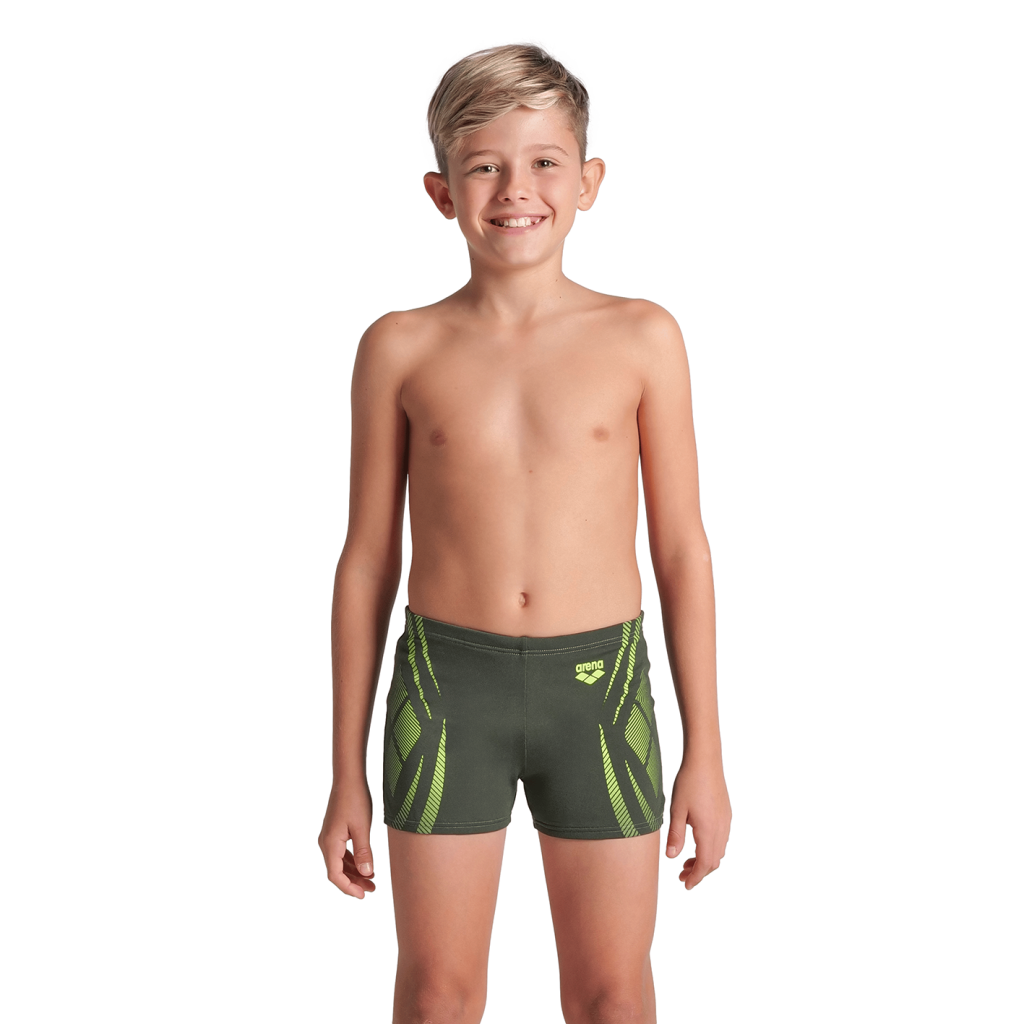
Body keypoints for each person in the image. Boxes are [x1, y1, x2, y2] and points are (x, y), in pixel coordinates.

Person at [318, 43, 731, 1024]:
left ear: (588, 182)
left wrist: (706, 751)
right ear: (440, 191)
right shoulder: (399, 345)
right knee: (437, 994)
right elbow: (367, 560)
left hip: (600, 694)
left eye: (545, 162)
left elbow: (682, 550)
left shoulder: (642, 337)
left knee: (611, 994)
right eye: (484, 166)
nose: (515, 190)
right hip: (444, 691)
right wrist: (343, 772)